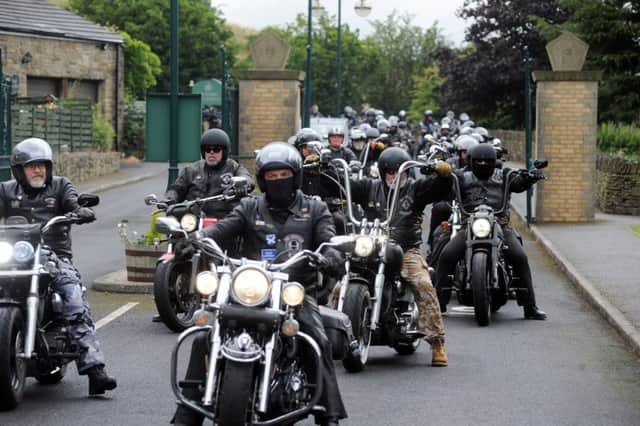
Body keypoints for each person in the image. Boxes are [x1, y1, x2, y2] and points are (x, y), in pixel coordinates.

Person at [171, 142, 348, 426]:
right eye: (272, 177)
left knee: (317, 338)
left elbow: (329, 240)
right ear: (263, 180)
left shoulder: (315, 209)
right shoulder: (249, 207)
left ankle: (329, 413)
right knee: (205, 334)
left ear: (296, 176)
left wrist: (330, 256)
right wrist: (195, 240)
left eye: (284, 175)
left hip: (294, 291)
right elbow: (220, 229)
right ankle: (188, 411)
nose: (278, 181)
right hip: (249, 289)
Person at [0, 138, 117, 396]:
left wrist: (79, 211)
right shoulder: (6, 191)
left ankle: (95, 369)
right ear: (19, 170)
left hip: (54, 256)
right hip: (14, 257)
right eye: (32, 166)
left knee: (73, 295)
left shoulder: (60, 186)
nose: (38, 170)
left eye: (42, 165)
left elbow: (73, 201)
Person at [349, 147, 453, 366]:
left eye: (399, 172)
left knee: (423, 283)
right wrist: (321, 172)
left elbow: (439, 189)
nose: (394, 176)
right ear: (382, 171)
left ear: (406, 173)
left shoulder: (416, 190)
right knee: (341, 285)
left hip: (406, 250)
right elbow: (343, 185)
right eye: (389, 172)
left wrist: (443, 174)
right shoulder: (369, 187)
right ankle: (341, 335)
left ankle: (437, 343)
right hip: (371, 248)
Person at [435, 144, 547, 320]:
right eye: (478, 161)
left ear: (493, 162)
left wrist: (530, 177)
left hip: (500, 225)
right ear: (471, 161)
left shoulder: (505, 176)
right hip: (469, 226)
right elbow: (446, 184)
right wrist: (439, 174)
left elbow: (518, 184)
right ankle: (439, 303)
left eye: (486, 161)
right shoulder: (461, 177)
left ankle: (529, 306)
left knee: (519, 257)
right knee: (447, 255)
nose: (482, 163)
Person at [165, 129, 254, 218]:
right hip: (194, 219)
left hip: (225, 220)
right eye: (207, 149)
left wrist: (242, 184)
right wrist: (170, 199)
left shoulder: (234, 168)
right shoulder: (191, 170)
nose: (211, 153)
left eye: (216, 149)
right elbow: (177, 188)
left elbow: (247, 178)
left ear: (224, 152)